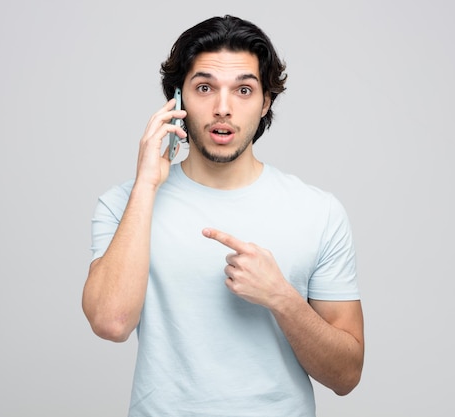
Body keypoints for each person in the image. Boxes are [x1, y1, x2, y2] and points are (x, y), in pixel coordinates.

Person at [82, 15, 364, 416]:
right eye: (204, 88)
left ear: (266, 102)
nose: (223, 108)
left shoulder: (319, 212)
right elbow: (111, 322)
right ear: (177, 100)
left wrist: (282, 298)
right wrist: (146, 185)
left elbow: (347, 375)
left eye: (244, 90)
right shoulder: (125, 203)